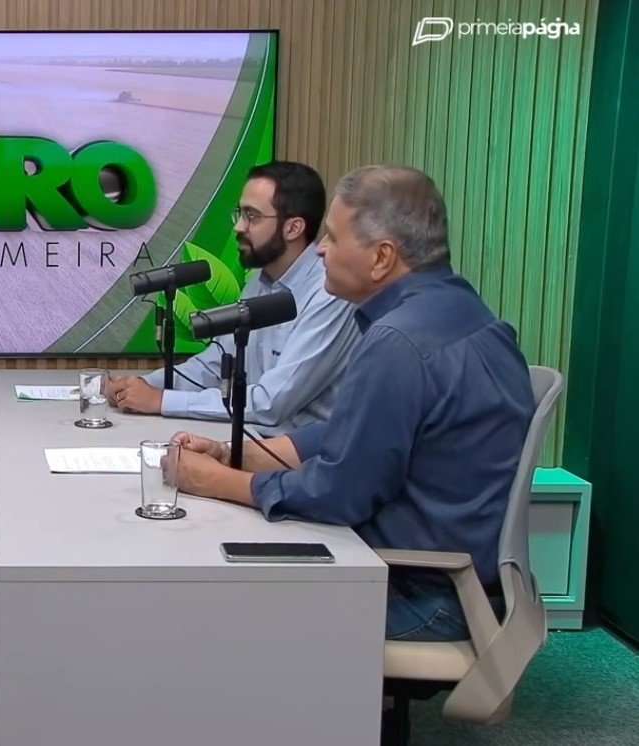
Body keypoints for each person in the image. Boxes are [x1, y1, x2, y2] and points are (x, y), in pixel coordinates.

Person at [170, 165, 534, 641]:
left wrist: (216, 480)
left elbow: (338, 494)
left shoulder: (398, 341)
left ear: (381, 258)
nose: (320, 249)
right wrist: (236, 453)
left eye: (333, 238)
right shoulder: (463, 311)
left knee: (222, 613)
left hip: (423, 594)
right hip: (466, 582)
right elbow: (356, 431)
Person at [107, 161, 359, 435]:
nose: (238, 226)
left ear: (293, 228)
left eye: (252, 216)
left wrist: (162, 401)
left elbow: (270, 404)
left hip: (295, 454)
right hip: (247, 436)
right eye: (239, 213)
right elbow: (216, 362)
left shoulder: (329, 293)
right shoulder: (260, 280)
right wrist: (142, 385)